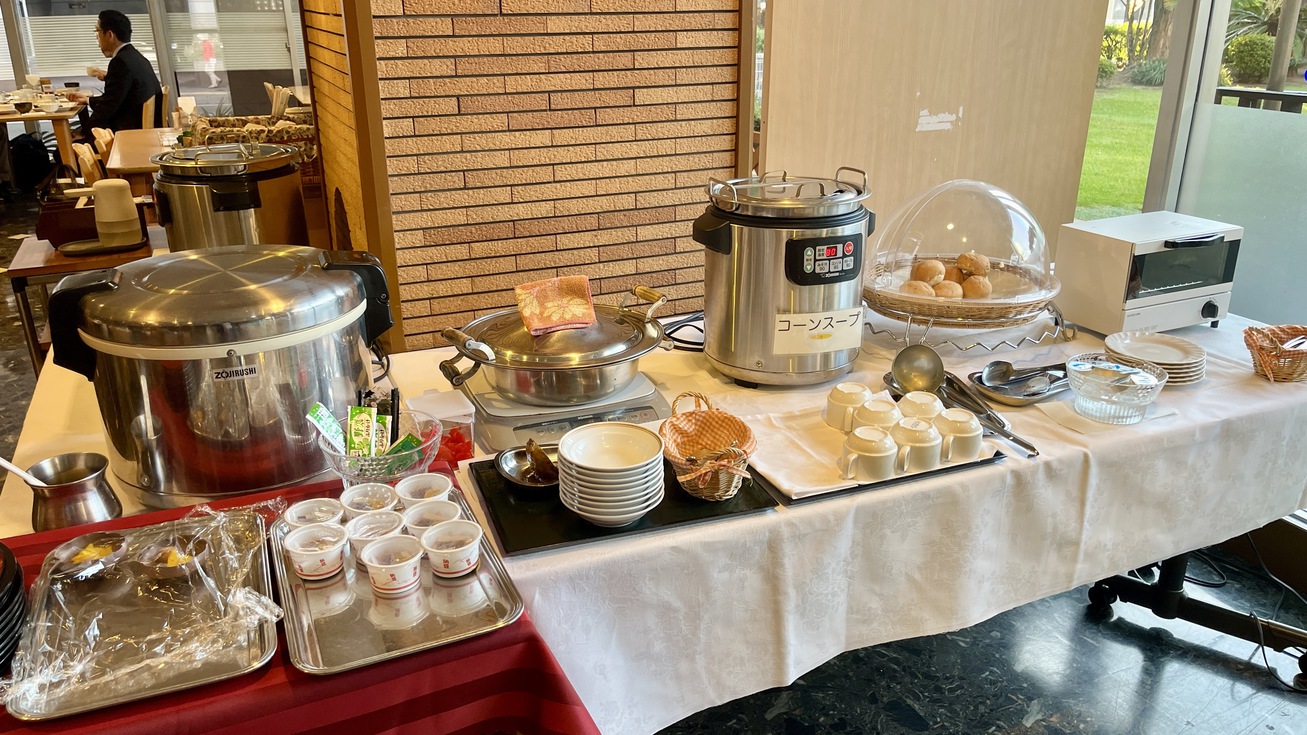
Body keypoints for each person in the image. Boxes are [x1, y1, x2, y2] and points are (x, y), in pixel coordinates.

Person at [67, 10, 163, 132]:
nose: (97, 39)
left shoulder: (120, 62)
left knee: (68, 142)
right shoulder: (135, 57)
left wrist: (84, 132)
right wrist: (88, 100)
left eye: (97, 32)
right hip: (140, 127)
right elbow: (119, 96)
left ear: (109, 35)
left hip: (127, 132)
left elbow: (108, 107)